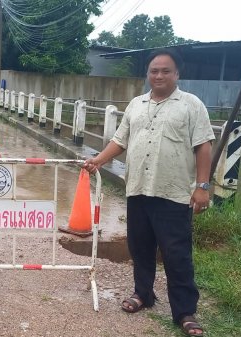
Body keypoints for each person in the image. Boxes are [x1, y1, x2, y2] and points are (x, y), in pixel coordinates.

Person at [82, 49, 212, 337]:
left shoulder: (191, 105)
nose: (159, 75)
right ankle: (143, 294)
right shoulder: (136, 105)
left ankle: (185, 311)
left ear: (177, 74)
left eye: (166, 71)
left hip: (174, 194)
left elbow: (203, 146)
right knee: (140, 249)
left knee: (176, 254)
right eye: (154, 70)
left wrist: (202, 187)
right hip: (138, 190)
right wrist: (99, 160)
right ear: (148, 74)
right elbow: (120, 140)